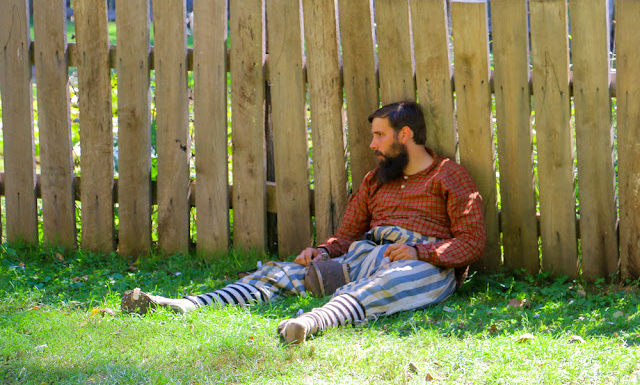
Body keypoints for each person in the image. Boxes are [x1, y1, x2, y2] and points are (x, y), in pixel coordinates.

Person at [121, 101, 486, 344]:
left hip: (420, 266)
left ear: (404, 135)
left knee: (396, 279)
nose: (372, 144)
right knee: (280, 274)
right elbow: (346, 235)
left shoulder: (449, 177)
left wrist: (420, 252)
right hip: (362, 255)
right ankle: (189, 305)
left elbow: (471, 242)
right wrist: (322, 251)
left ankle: (312, 323)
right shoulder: (375, 179)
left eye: (379, 135)